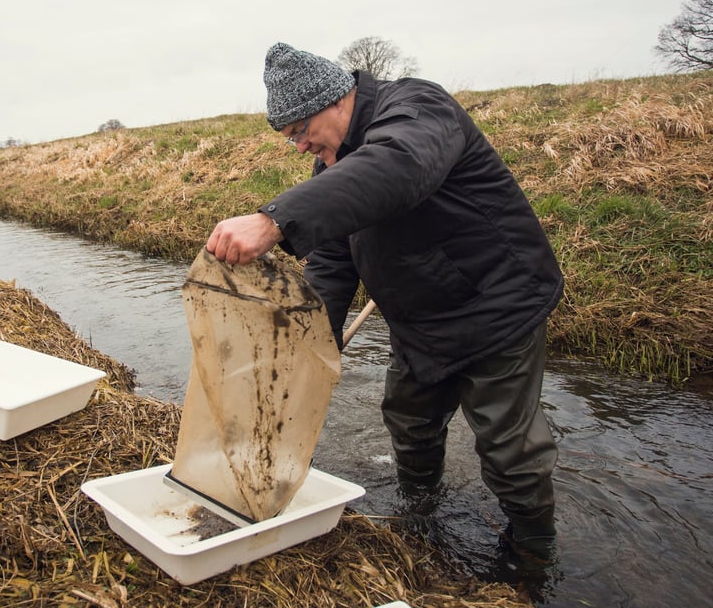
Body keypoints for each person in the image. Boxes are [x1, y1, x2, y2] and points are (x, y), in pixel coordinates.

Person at [205, 42, 564, 557]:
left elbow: (398, 166)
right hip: (418, 318)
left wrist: (274, 220)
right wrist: (315, 346)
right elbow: (331, 261)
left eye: (300, 132)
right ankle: (420, 511)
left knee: (509, 450)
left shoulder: (417, 109)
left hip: (494, 307)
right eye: (291, 140)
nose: (300, 147)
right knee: (410, 424)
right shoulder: (333, 169)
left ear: (335, 100)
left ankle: (531, 551)